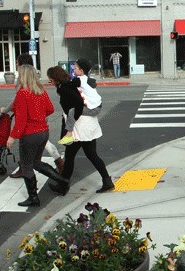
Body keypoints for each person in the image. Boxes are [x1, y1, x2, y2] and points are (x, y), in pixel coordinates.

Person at [6, 64, 70, 207]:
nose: (18, 77)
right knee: (36, 162)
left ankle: (33, 197)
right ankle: (62, 180)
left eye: (19, 74)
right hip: (43, 132)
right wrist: (39, 116)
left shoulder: (22, 93)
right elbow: (50, 109)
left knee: (27, 165)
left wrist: (12, 136)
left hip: (30, 134)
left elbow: (21, 120)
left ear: (23, 76)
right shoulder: (41, 90)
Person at [47, 66, 115, 195]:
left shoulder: (65, 88)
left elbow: (77, 106)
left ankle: (63, 186)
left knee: (71, 157)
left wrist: (69, 130)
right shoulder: (70, 83)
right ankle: (107, 181)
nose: (51, 83)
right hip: (86, 125)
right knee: (89, 155)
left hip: (80, 127)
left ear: (55, 79)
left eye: (51, 80)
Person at [1, 53, 64, 177]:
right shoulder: (38, 84)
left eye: (17, 62)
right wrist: (39, 112)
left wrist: (12, 134)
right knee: (37, 155)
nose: (16, 65)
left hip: (29, 127)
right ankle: (59, 171)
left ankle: (29, 172)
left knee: (31, 156)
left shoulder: (23, 86)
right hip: (41, 125)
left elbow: (19, 109)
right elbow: (50, 108)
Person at [57, 58, 102, 146]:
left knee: (72, 111)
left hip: (93, 108)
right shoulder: (88, 79)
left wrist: (59, 86)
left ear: (81, 71)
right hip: (98, 106)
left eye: (75, 68)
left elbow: (66, 86)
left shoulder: (79, 80)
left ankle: (69, 134)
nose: (73, 69)